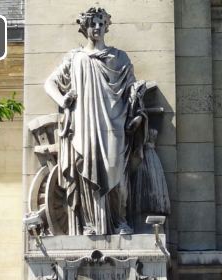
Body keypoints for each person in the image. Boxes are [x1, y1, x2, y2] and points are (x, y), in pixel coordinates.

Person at [44, 7, 146, 235]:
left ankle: (119, 220)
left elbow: (132, 91)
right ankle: (90, 223)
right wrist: (63, 99)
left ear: (106, 26)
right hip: (85, 124)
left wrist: (136, 114)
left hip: (114, 124)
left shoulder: (119, 58)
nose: (97, 28)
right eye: (92, 24)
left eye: (101, 23)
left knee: (115, 171)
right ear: (85, 28)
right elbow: (49, 84)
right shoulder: (75, 58)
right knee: (87, 172)